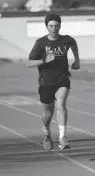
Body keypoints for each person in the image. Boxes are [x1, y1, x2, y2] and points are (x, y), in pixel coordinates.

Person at [25, 14, 80, 151]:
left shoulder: (66, 40)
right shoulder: (40, 43)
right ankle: (46, 129)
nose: (54, 28)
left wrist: (77, 61)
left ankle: (62, 137)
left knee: (61, 104)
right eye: (51, 26)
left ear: (60, 26)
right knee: (48, 113)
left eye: (56, 26)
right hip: (45, 81)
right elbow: (28, 63)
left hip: (62, 78)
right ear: (47, 27)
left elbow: (74, 44)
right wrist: (44, 61)